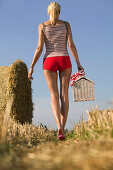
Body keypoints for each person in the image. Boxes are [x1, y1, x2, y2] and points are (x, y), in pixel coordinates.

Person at [28, 2, 84, 140]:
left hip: (49, 61)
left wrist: (32, 66)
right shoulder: (66, 25)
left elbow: (39, 48)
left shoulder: (42, 26)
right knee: (64, 95)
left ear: (48, 12)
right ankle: (63, 130)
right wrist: (78, 63)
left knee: (54, 95)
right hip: (64, 59)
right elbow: (71, 45)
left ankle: (58, 125)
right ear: (59, 12)